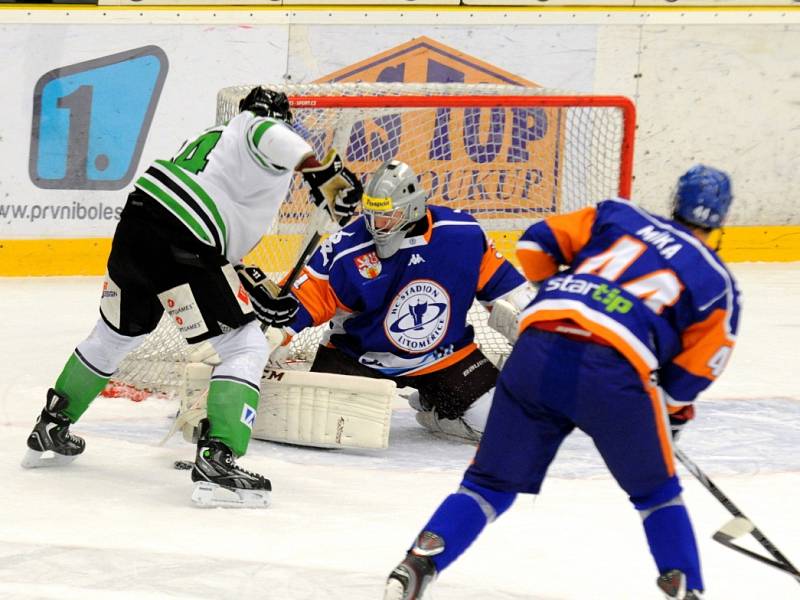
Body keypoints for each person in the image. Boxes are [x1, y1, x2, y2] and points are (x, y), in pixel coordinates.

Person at [383, 165, 739, 599]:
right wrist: (671, 411)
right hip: (613, 375)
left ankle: (420, 560)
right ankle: (685, 586)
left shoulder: (619, 215)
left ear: (674, 200)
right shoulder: (717, 283)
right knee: (657, 494)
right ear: (722, 221)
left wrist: (566, 299)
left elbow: (534, 243)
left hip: (537, 350)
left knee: (488, 483)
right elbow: (692, 376)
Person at [21, 86, 362, 508]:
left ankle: (51, 424)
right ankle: (217, 460)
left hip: (138, 226)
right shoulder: (257, 128)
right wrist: (320, 172)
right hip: (182, 238)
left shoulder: (214, 141)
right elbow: (267, 136)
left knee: (116, 334)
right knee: (245, 343)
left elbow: (210, 234)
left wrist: (243, 280)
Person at [261, 159, 535, 442]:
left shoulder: (462, 234)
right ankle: (430, 397)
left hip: (443, 356)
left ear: (413, 208)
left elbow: (509, 293)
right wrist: (272, 334)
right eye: (372, 215)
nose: (376, 225)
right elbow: (303, 300)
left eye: (387, 216)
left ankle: (435, 406)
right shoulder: (346, 248)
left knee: (502, 424)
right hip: (359, 358)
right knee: (331, 433)